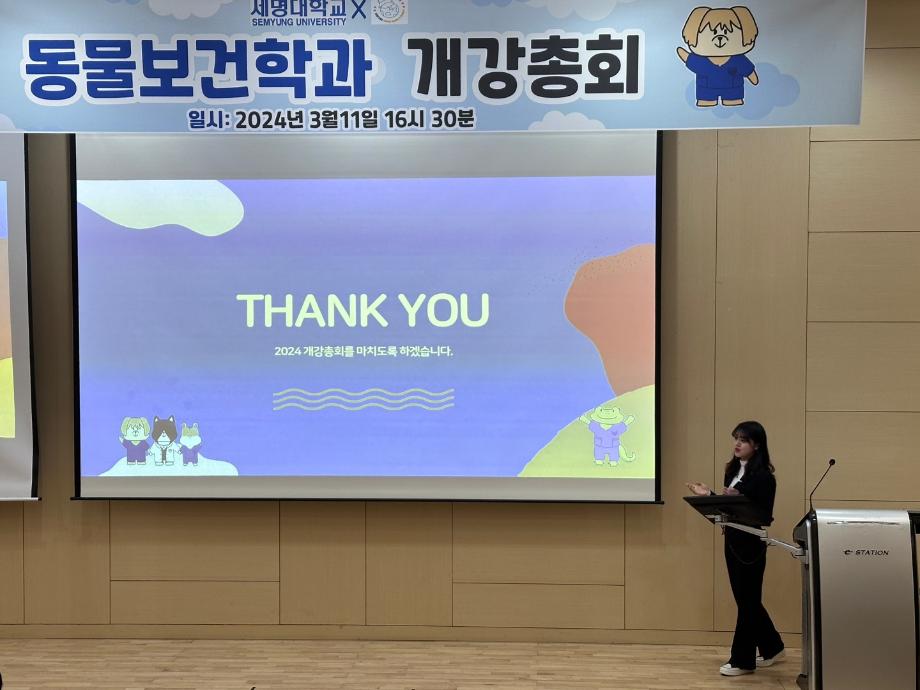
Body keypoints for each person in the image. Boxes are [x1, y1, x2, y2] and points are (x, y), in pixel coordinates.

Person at [686, 420, 785, 676]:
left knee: (747, 601)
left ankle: (742, 660)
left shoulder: (764, 477)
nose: (737, 444)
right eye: (736, 438)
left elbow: (763, 515)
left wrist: (738, 498)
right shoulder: (732, 470)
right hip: (732, 540)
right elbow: (728, 507)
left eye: (743, 439)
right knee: (746, 600)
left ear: (757, 445)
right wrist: (709, 496)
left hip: (751, 543)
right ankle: (772, 646)